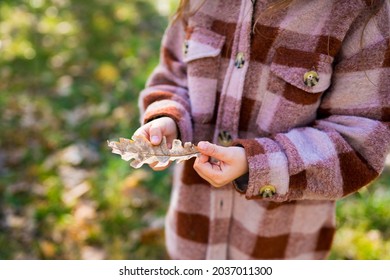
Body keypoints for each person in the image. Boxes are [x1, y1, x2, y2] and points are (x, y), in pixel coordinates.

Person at [133, 0, 390, 259]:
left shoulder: (357, 11)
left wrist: (257, 164)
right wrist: (169, 117)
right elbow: (175, 75)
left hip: (278, 248)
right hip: (193, 237)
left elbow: (358, 145)